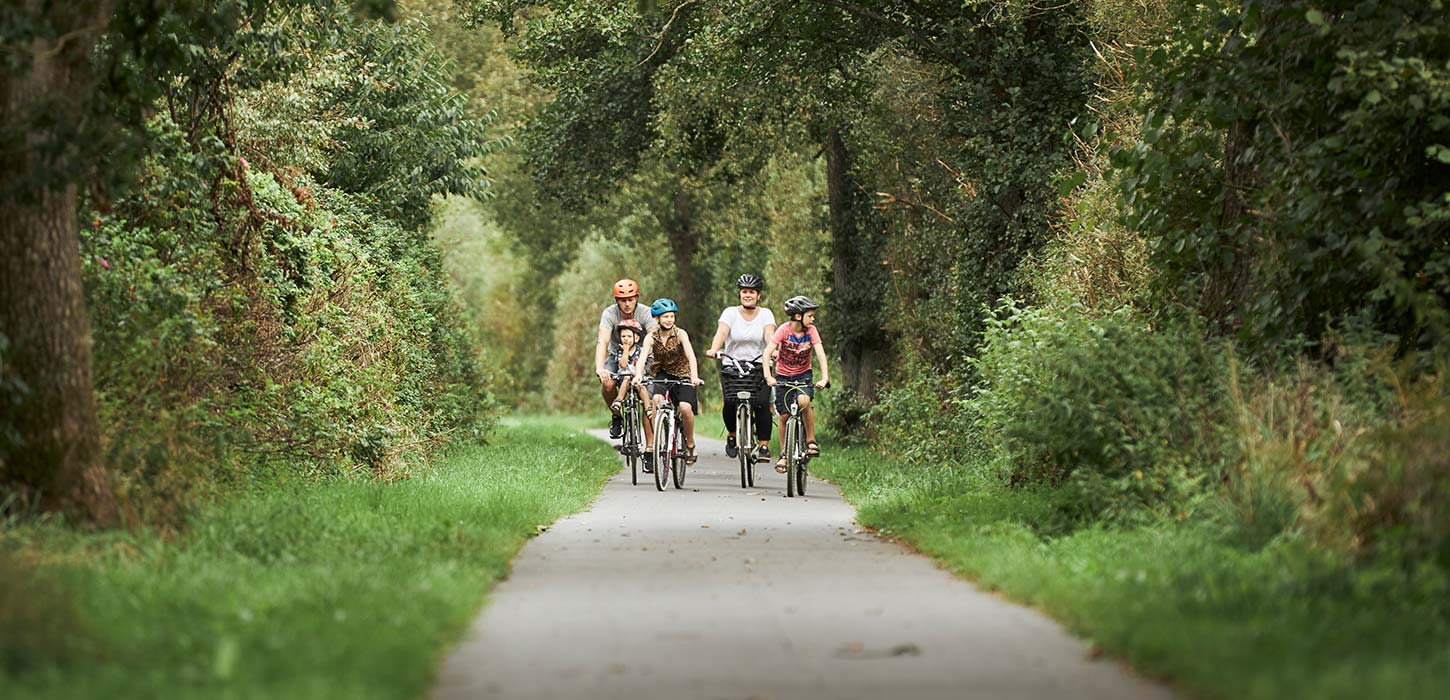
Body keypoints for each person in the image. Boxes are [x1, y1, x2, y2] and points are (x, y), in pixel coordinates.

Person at [704, 273, 776, 464]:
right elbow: (722, 332)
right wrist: (714, 348)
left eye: (752, 292)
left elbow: (770, 335)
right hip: (732, 364)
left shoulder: (766, 314)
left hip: (759, 365)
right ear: (740, 294)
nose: (748, 295)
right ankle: (732, 433)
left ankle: (763, 446)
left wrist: (772, 350)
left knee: (761, 404)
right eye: (744, 291)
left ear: (758, 295)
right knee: (729, 402)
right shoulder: (730, 313)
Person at [633, 298, 705, 465]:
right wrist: (638, 375)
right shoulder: (651, 337)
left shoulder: (680, 334)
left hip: (683, 375)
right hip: (662, 374)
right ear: (657, 318)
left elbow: (690, 356)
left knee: (685, 408)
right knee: (656, 401)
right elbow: (643, 358)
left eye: (672, 316)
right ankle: (660, 438)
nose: (669, 320)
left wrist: (694, 376)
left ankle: (690, 444)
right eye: (665, 317)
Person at [763, 295, 830, 473]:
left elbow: (820, 353)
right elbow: (767, 353)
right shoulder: (783, 330)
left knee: (803, 401)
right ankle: (784, 454)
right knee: (784, 416)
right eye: (810, 315)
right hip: (783, 377)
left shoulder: (811, 331)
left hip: (803, 375)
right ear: (798, 316)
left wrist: (824, 377)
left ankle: (810, 441)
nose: (813, 318)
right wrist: (768, 376)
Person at [595, 279, 656, 438]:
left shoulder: (646, 313)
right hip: (617, 355)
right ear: (617, 301)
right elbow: (602, 341)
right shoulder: (609, 313)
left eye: (630, 299)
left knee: (646, 389)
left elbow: (653, 338)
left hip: (643, 355)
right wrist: (600, 368)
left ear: (637, 298)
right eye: (623, 300)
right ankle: (616, 416)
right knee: (607, 384)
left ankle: (650, 442)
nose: (627, 304)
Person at [607, 319, 657, 471]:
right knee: (627, 378)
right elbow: (622, 365)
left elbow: (646, 366)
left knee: (639, 385)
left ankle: (648, 408)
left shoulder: (642, 350)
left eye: (629, 336)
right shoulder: (621, 351)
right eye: (623, 337)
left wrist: (639, 373)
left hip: (639, 380)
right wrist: (626, 351)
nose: (626, 339)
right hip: (626, 380)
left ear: (636, 337)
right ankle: (619, 401)